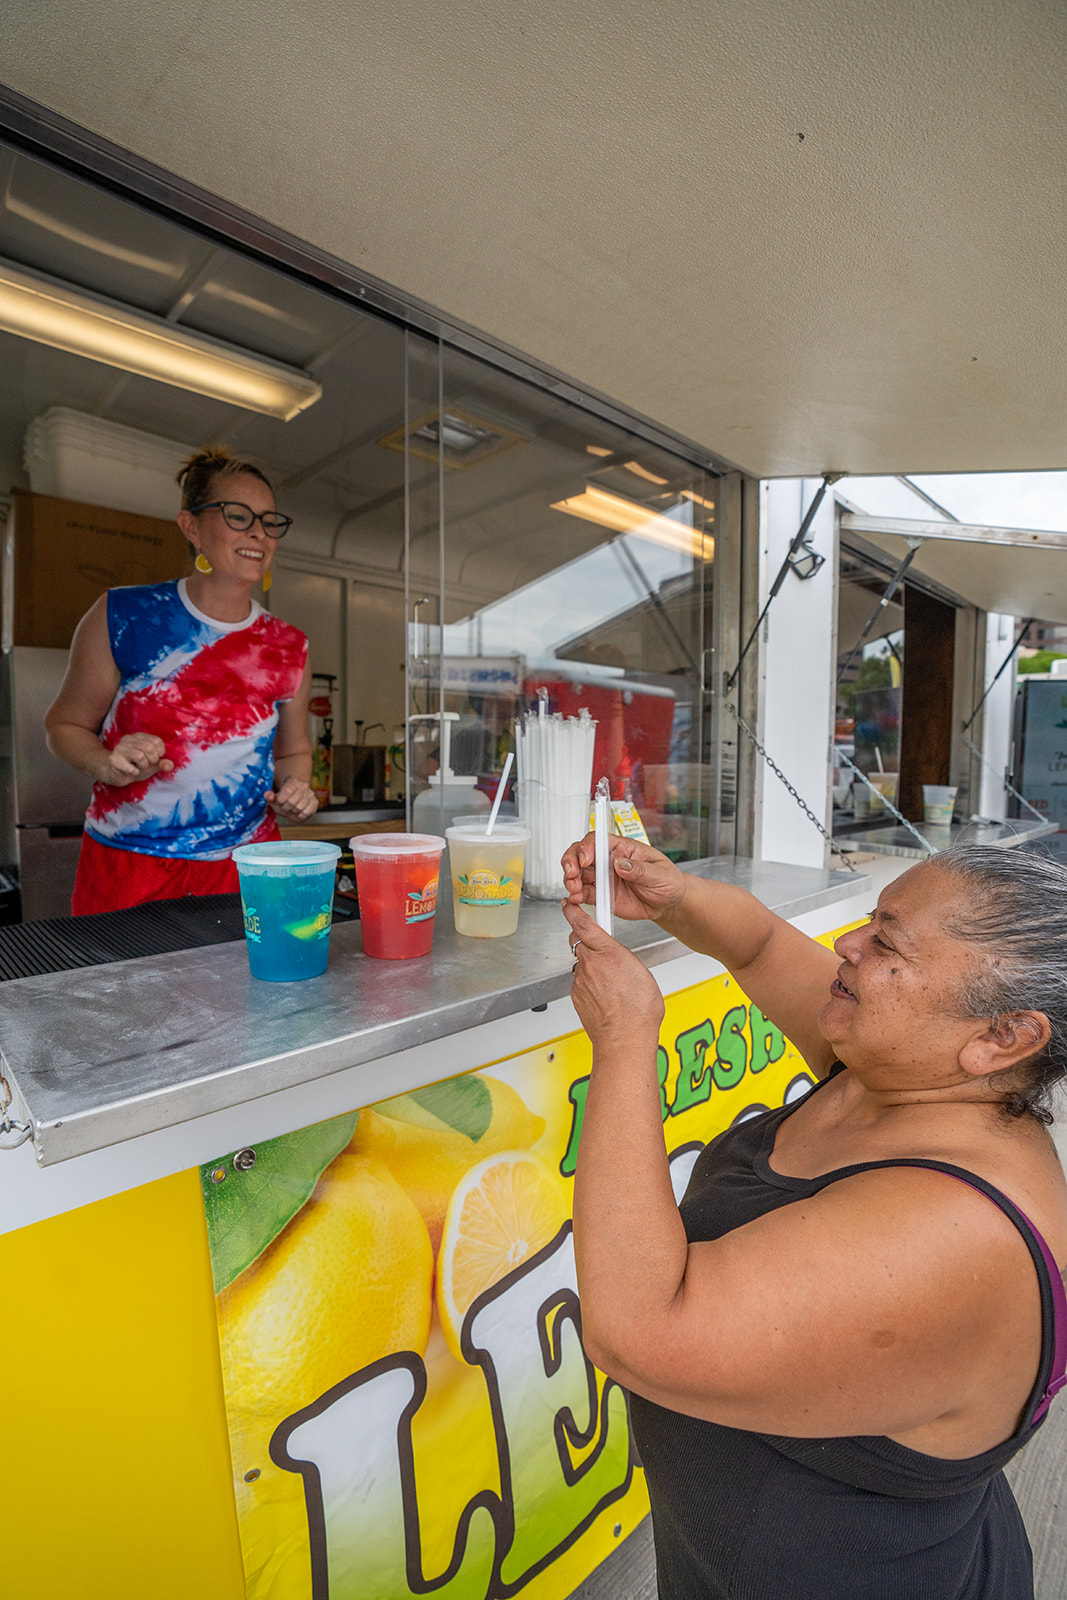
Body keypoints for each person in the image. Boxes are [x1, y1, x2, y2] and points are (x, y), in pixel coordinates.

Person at [560, 836, 1067, 1599]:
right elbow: (761, 944)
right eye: (871, 919)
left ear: (1002, 1037)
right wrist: (672, 895)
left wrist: (625, 1040)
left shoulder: (952, 1227)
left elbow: (637, 1333)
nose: (846, 945)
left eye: (885, 943)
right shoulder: (893, 1067)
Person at [46, 448, 318, 915]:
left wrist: (295, 788)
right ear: (191, 527)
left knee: (244, 990)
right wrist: (108, 764)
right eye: (238, 515)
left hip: (245, 868)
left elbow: (292, 752)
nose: (258, 532)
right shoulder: (124, 615)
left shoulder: (290, 647)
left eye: (270, 521)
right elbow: (63, 727)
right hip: (129, 867)